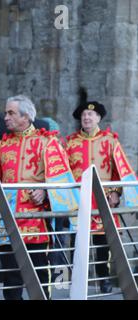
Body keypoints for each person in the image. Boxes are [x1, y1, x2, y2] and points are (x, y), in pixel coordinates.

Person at [0, 95, 77, 300]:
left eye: (11, 113)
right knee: (10, 281)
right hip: (7, 223)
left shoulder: (47, 142)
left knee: (39, 278)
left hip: (37, 223)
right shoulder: (1, 146)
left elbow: (63, 179)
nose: (5, 117)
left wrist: (45, 191)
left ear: (26, 116)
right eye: (6, 112)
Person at [66, 101, 138, 294]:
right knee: (77, 242)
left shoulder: (110, 141)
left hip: (103, 199)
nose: (87, 118)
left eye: (91, 115)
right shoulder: (70, 142)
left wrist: (116, 191)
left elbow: (120, 170)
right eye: (84, 116)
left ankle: (103, 278)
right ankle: (75, 279)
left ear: (98, 118)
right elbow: (63, 172)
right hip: (78, 200)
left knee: (102, 243)